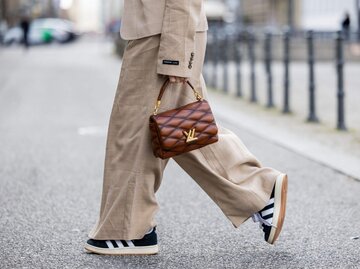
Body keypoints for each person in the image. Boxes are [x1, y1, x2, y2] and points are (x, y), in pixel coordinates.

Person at [85, 0, 288, 255]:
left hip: (162, 34)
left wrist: (176, 52)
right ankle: (258, 190)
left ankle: (128, 230)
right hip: (160, 30)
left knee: (135, 132)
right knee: (182, 130)